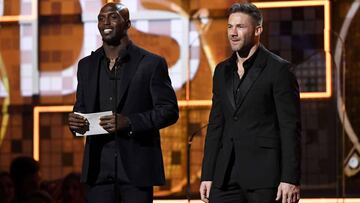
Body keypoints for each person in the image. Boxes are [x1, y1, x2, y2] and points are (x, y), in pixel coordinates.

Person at [68, 2, 179, 203]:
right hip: (98, 173)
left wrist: (130, 122)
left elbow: (169, 110)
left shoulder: (151, 63)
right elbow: (81, 109)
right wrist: (76, 123)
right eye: (101, 18)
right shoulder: (86, 66)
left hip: (136, 174)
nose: (106, 22)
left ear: (127, 23)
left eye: (113, 17)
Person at [199, 3, 301, 203]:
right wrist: (208, 174)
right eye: (230, 27)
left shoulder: (279, 70)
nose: (233, 33)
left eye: (240, 27)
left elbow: (290, 128)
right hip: (225, 176)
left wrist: (290, 178)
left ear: (258, 29)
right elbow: (216, 126)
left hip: (265, 177)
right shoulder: (221, 71)